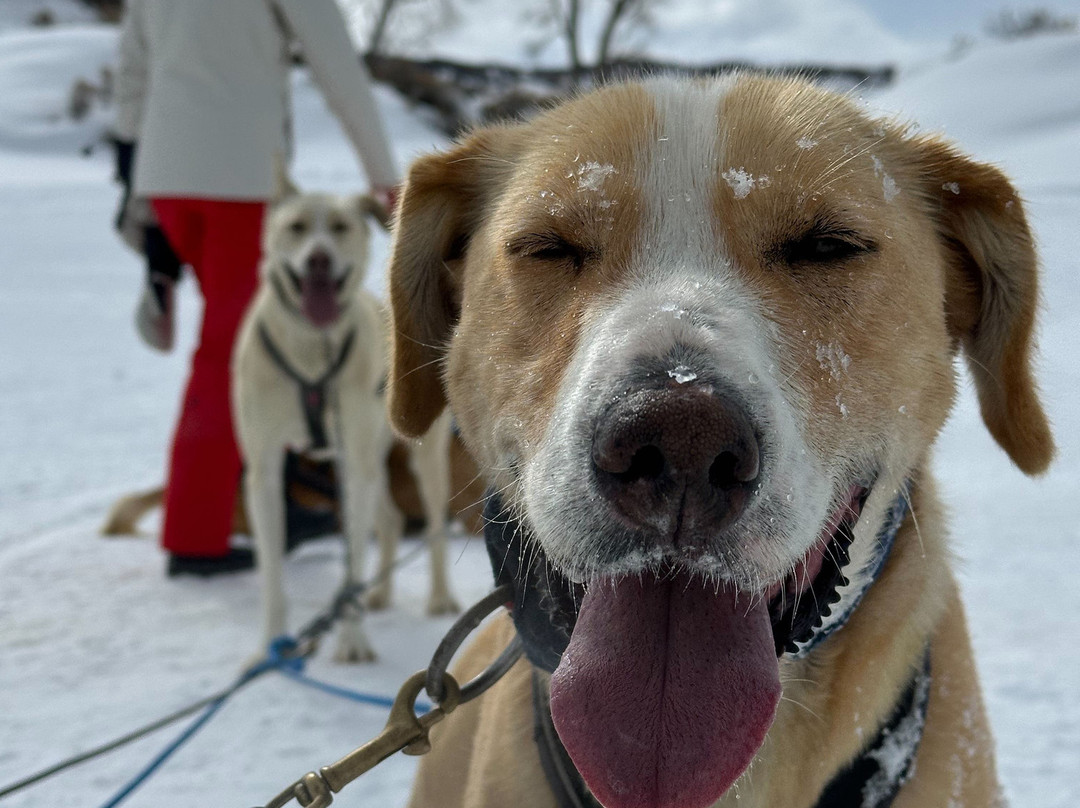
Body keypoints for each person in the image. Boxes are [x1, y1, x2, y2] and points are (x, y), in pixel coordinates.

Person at [111, 0, 398, 577]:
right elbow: (337, 68)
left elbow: (132, 74)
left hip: (166, 179)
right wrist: (384, 175)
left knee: (271, 339)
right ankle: (196, 535)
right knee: (235, 355)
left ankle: (281, 494)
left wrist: (131, 174)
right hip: (238, 179)